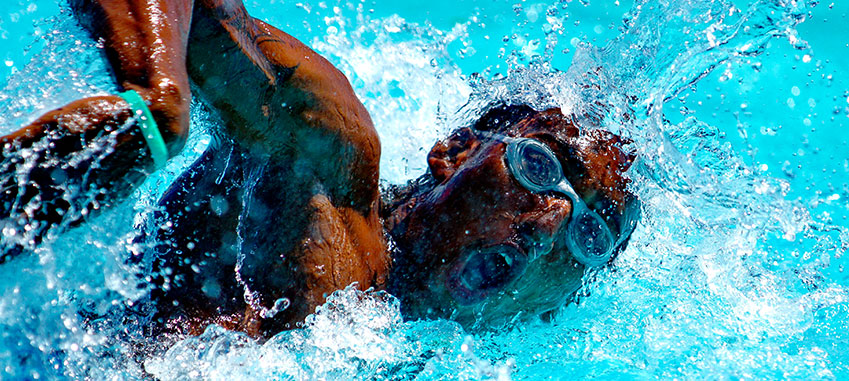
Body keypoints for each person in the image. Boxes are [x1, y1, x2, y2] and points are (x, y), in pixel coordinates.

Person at [0, 0, 639, 338]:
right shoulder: (323, 151)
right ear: (454, 153)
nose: (551, 221)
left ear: (558, 308)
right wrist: (154, 102)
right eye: (538, 166)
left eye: (593, 234)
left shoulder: (404, 346)